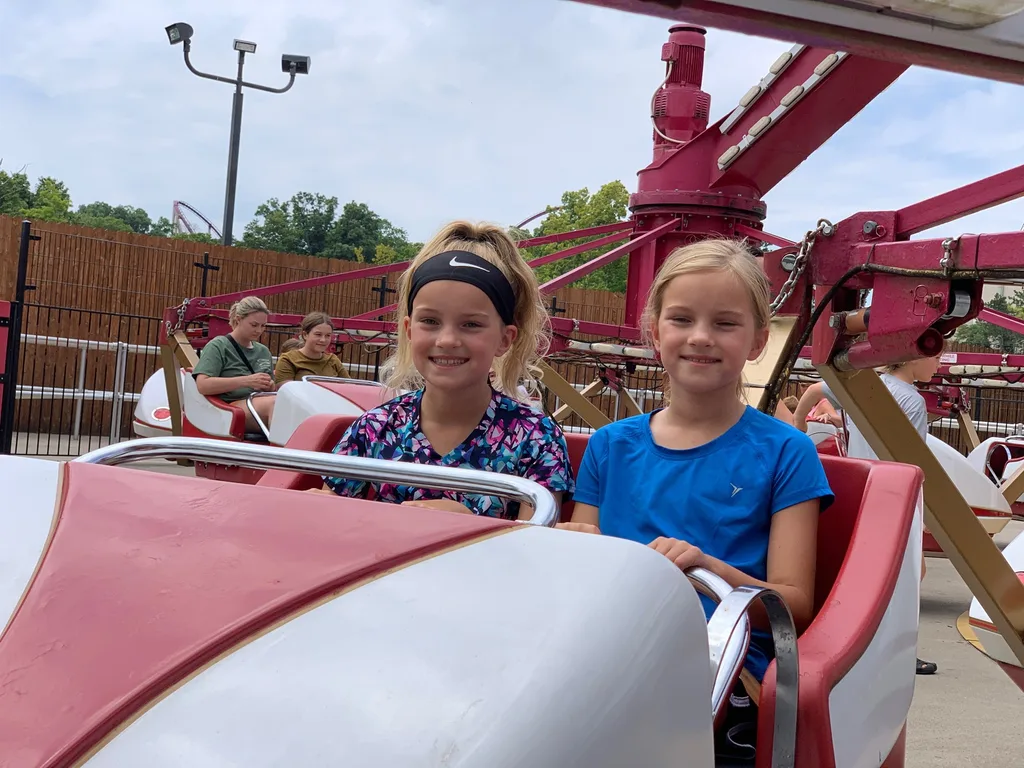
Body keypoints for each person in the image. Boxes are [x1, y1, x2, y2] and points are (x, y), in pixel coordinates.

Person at [559, 239, 833, 758]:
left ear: (757, 341)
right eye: (682, 319)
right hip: (606, 660)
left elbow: (792, 607)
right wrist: (569, 544)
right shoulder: (610, 446)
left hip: (720, 679)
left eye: (725, 323)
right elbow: (582, 566)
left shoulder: (787, 452)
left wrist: (707, 567)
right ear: (654, 330)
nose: (701, 338)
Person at [324, 220, 575, 521]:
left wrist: (470, 527)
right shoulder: (375, 428)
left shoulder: (536, 437)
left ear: (505, 339)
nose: (446, 340)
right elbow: (329, 519)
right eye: (429, 321)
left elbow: (536, 547)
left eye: (471, 324)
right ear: (409, 330)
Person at [794, 353, 942, 676]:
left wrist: (799, 430)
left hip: (862, 488)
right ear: (913, 358)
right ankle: (896, 650)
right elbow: (911, 461)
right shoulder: (913, 402)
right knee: (904, 577)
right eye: (936, 356)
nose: (938, 365)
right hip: (892, 497)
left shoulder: (864, 385)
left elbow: (812, 393)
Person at [192, 296, 276, 432]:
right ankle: (280, 450)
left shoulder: (263, 351)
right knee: (275, 404)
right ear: (238, 319)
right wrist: (247, 381)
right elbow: (203, 385)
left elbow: (272, 389)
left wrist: (270, 386)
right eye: (254, 325)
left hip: (259, 401)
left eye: (263, 326)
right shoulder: (218, 346)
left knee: (290, 405)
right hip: (229, 406)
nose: (259, 330)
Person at [274, 312, 351, 385]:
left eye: (328, 335)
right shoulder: (288, 359)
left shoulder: (333, 360)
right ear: (305, 335)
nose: (323, 340)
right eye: (318, 334)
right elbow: (286, 392)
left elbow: (349, 386)